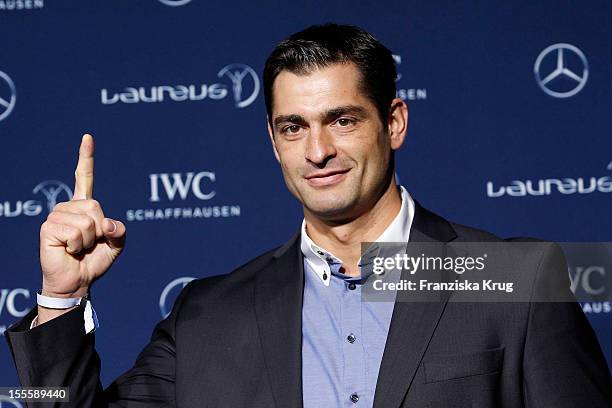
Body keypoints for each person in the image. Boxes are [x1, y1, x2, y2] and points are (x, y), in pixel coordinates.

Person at [5, 23, 611, 408]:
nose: (317, 151)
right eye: (293, 127)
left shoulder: (513, 279)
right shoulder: (208, 316)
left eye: (342, 120)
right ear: (273, 141)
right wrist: (61, 299)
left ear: (393, 122)